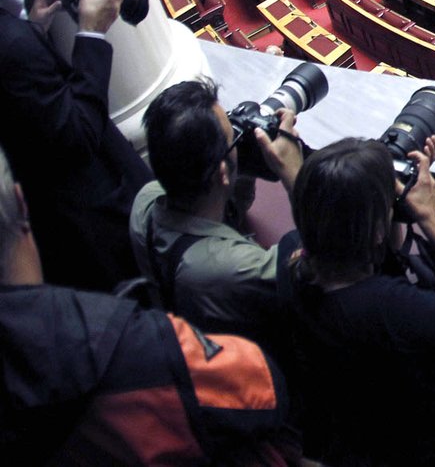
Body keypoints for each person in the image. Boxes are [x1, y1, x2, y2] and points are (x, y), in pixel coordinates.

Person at [0, 145, 297, 464]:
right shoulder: (136, 347)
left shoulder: (146, 204)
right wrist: (296, 175)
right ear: (20, 199)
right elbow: (263, 390)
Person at [281, 138, 435, 466]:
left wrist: (381, 206)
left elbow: (368, 248)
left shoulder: (292, 257)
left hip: (359, 436)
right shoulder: (389, 308)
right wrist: (429, 218)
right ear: (377, 230)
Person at [0, 0, 148, 291]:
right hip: (87, 222)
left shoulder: (14, 29)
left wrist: (35, 23)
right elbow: (77, 134)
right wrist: (91, 34)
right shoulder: (10, 45)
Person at [131, 78, 304, 343]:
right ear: (222, 172)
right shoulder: (237, 266)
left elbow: (227, 207)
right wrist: (296, 174)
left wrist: (243, 162)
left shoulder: (146, 199)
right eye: (232, 137)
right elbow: (321, 259)